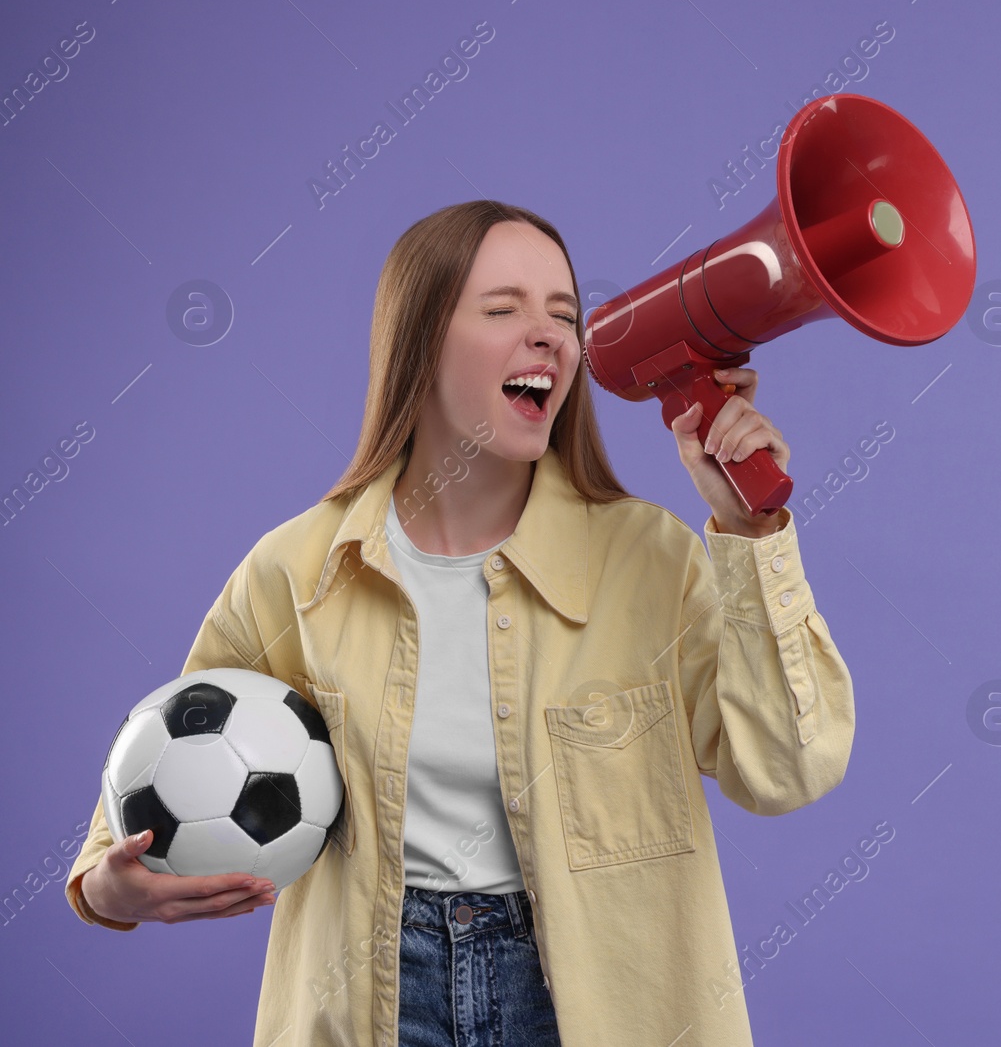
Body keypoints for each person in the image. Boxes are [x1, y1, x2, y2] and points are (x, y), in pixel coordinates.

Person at [64, 200, 857, 1046]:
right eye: (504, 308)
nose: (549, 335)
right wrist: (107, 887)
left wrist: (752, 536)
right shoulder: (296, 569)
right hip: (374, 995)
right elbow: (169, 749)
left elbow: (789, 768)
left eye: (564, 313)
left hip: (596, 1000)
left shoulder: (651, 559)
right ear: (420, 341)